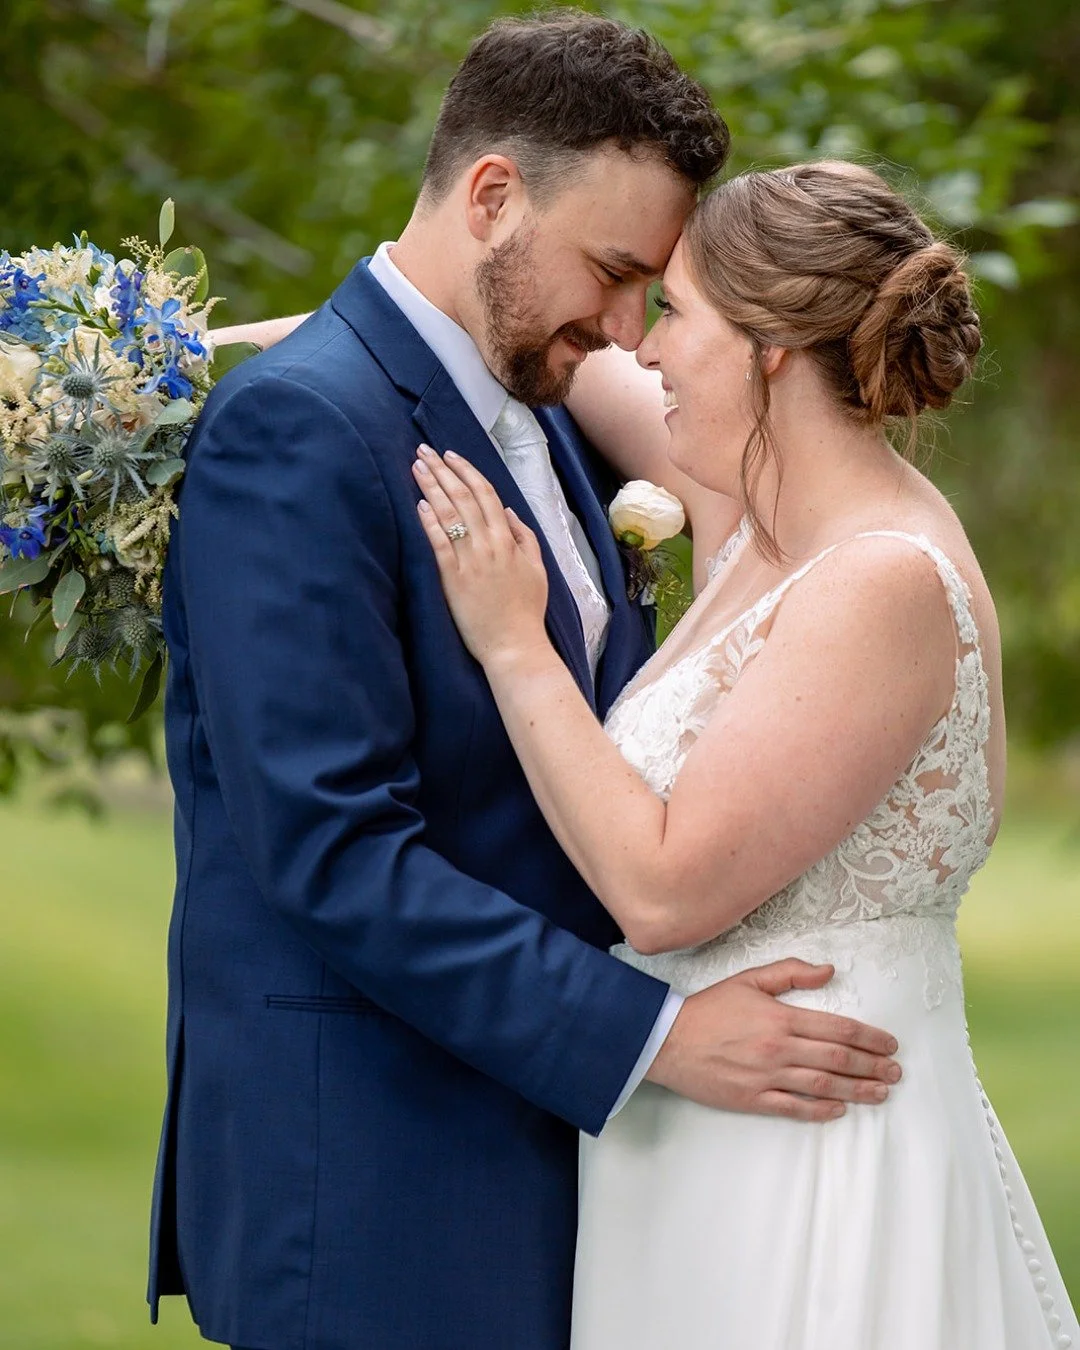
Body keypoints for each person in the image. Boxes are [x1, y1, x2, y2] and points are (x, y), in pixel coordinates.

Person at [152, 14, 903, 1350]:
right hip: (375, 1180)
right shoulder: (297, 428)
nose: (623, 330)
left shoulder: (544, 409)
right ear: (493, 194)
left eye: (650, 291)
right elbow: (331, 850)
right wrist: (654, 1037)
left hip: (538, 1158)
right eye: (614, 273)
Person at [403, 160, 1080, 1349]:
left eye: (676, 312)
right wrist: (339, 345)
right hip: (694, 1149)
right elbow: (539, 357)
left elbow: (663, 890)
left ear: (770, 349)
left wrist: (515, 647)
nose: (647, 346)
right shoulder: (758, 516)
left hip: (815, 1169)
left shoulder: (881, 581)